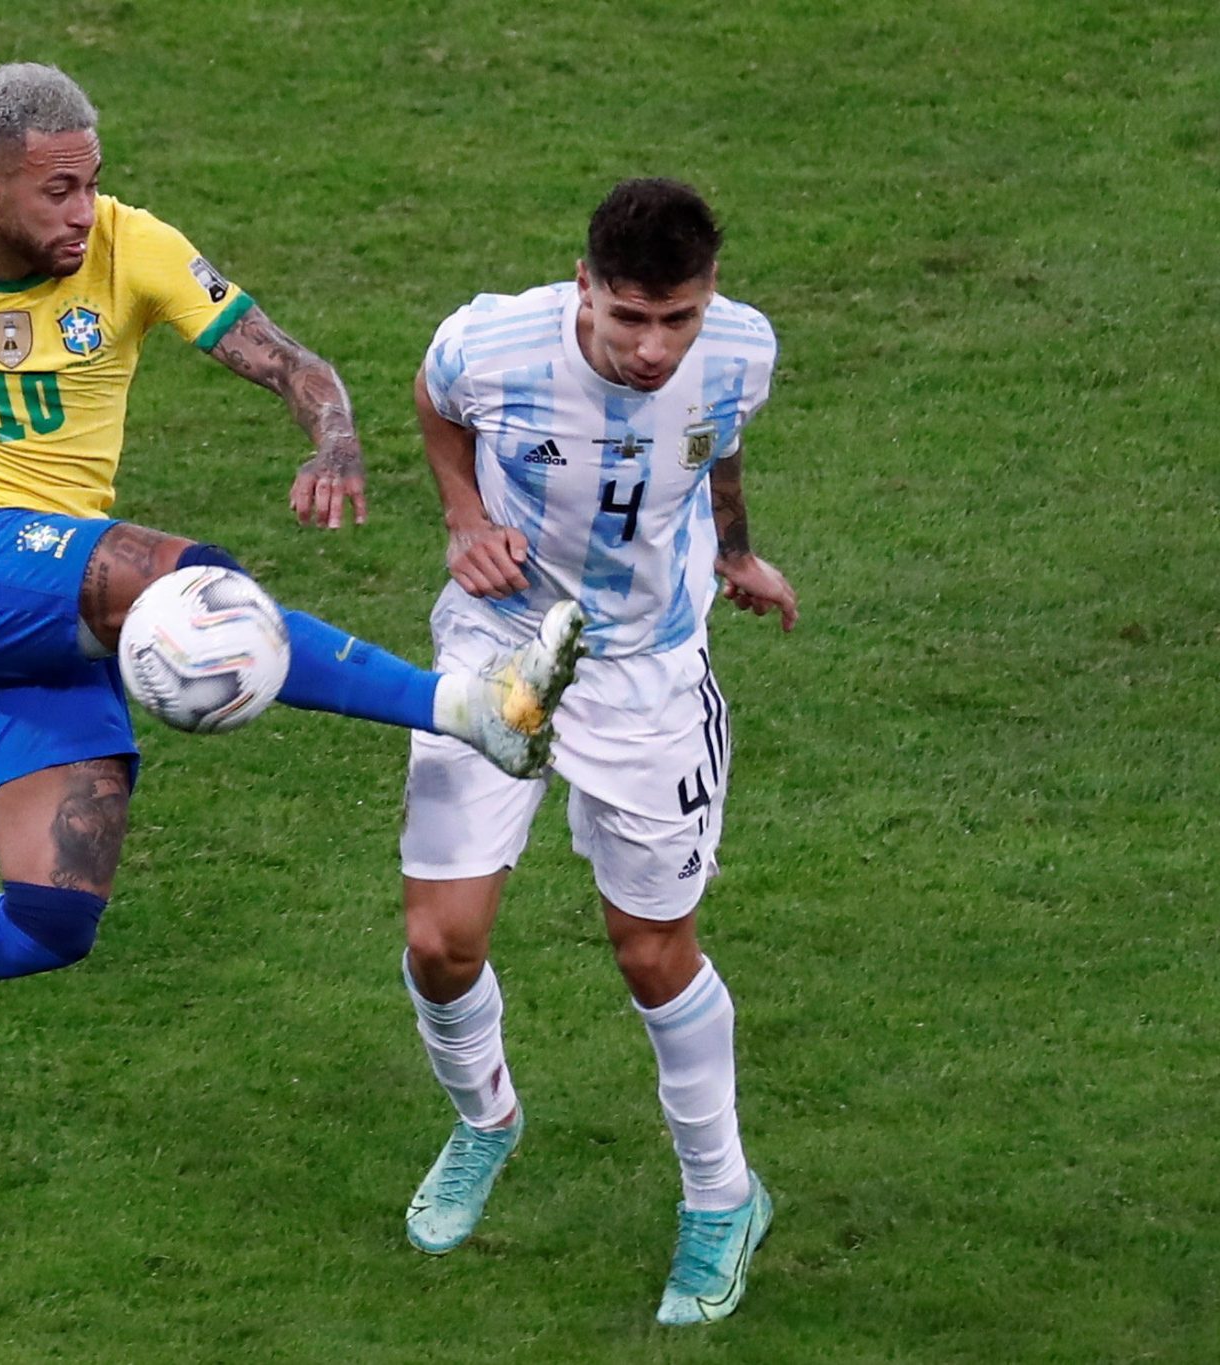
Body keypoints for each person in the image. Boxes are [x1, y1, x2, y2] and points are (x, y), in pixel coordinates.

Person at [0, 63, 586, 1141]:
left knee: (48, 918)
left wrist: (333, 435)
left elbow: (291, 363)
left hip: (56, 604)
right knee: (194, 586)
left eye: (92, 183)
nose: (83, 210)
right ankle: (472, 708)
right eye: (58, 190)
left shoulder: (131, 248)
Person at [392, 179, 798, 1326]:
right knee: (438, 943)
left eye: (677, 318)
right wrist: (464, 520)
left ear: (707, 298)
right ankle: (484, 1120)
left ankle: (721, 1198)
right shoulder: (489, 346)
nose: (653, 347)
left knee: (650, 952)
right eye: (628, 317)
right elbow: (432, 404)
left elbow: (716, 446)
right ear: (583, 286)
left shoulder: (740, 351)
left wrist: (734, 552)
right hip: (500, 645)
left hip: (645, 676)